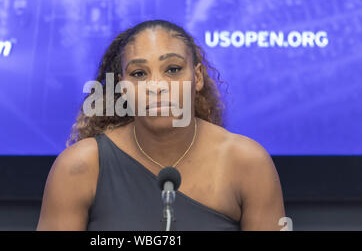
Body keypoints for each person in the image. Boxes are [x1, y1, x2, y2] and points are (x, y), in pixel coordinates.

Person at [36, 20, 285, 231]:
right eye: (139, 74)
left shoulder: (247, 163)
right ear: (122, 87)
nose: (157, 86)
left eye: (173, 69)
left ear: (197, 78)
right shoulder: (80, 166)